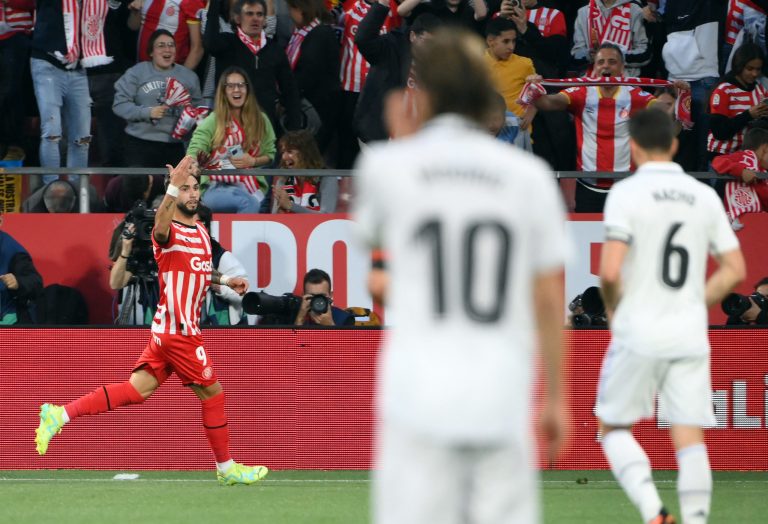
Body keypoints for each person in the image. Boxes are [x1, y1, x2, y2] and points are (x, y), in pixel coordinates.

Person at [353, 28, 568, 524]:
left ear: (421, 92)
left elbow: (377, 280)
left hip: (416, 393)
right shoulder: (527, 177)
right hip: (499, 390)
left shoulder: (388, 169)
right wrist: (557, 397)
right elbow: (549, 301)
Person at [35, 156, 269, 486]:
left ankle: (59, 414)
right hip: (179, 332)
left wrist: (225, 282)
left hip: (167, 330)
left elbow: (200, 272)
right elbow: (159, 223)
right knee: (214, 395)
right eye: (185, 189)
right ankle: (227, 467)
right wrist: (171, 187)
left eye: (194, 188)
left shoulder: (201, 232)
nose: (192, 194)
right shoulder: (168, 232)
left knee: (135, 391)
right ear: (174, 193)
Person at [596, 109, 746, 524]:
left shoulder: (625, 194)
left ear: (635, 148)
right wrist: (696, 302)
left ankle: (653, 512)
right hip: (687, 332)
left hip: (638, 328)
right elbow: (735, 269)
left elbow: (610, 271)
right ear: (675, 144)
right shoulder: (702, 194)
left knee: (613, 429)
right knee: (689, 437)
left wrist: (614, 308)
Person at [528, 43, 686, 212]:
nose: (606, 66)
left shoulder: (636, 95)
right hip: (587, 187)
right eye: (601, 62)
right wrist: (535, 88)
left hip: (627, 188)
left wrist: (681, 99)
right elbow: (546, 102)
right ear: (594, 68)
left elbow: (666, 119)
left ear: (622, 68)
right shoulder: (580, 93)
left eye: (612, 62)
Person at [204, 0, 304, 133]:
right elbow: (210, 42)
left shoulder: (275, 50)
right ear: (238, 18)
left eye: (259, 14)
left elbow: (289, 89)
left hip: (264, 127)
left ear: (264, 20)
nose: (255, 19)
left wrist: (294, 128)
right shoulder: (226, 43)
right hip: (230, 127)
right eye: (249, 14)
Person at [187, 66, 276, 213]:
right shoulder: (214, 119)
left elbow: (270, 155)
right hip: (216, 186)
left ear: (247, 90)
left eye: (241, 85)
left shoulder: (261, 119)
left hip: (249, 185)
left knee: (251, 202)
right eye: (231, 86)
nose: (237, 90)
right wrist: (193, 162)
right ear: (223, 91)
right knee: (249, 203)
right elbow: (196, 146)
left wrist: (252, 161)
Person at [113, 29, 203, 168]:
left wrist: (192, 119)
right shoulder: (137, 72)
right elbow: (120, 105)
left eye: (171, 45)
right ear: (151, 52)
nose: (167, 49)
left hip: (176, 146)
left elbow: (199, 111)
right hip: (139, 143)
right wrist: (147, 112)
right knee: (138, 186)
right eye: (161, 45)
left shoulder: (189, 77)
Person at [354, 6, 442, 143]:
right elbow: (364, 39)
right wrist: (381, 6)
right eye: (428, 42)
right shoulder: (392, 46)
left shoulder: (439, 62)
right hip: (380, 137)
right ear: (413, 36)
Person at [284, 0, 341, 154]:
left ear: (300, 9)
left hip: (317, 110)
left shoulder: (319, 34)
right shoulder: (305, 33)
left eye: (290, 9)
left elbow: (307, 73)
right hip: (315, 108)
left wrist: (286, 97)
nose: (289, 14)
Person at [707, 42, 768, 165]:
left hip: (749, 161)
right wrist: (748, 115)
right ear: (739, 66)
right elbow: (719, 132)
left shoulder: (760, 90)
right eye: (750, 69)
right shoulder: (724, 90)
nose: (754, 74)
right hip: (722, 158)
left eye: (758, 69)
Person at [484, 16, 536, 151]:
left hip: (518, 133)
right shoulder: (476, 64)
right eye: (506, 41)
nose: (511, 47)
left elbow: (536, 92)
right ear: (491, 41)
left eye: (513, 41)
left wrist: (532, 111)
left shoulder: (524, 64)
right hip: (487, 133)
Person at [196, 205, 250, 325]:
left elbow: (244, 293)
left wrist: (220, 287)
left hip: (218, 328)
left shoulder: (221, 257)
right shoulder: (180, 253)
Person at [571, 0, 650, 77]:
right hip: (590, 81)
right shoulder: (583, 13)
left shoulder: (635, 11)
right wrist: (590, 55)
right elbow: (575, 56)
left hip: (627, 81)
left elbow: (646, 55)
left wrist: (618, 57)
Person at [711, 126, 768, 229]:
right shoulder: (744, 156)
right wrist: (741, 171)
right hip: (739, 218)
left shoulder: (763, 172)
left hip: (757, 221)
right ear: (765, 148)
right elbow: (717, 161)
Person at [272, 130, 338, 214]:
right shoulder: (283, 179)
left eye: (290, 152)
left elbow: (326, 216)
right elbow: (274, 217)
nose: (284, 157)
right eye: (283, 152)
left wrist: (291, 206)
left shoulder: (326, 177)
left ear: (305, 153)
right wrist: (279, 210)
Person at [128, 0, 205, 70]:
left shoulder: (191, 2)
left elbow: (197, 48)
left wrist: (181, 79)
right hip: (140, 68)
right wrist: (135, 10)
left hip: (170, 72)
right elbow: (133, 26)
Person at [0, 208, 43, 324]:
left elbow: (36, 283)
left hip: (7, 320)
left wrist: (18, 282)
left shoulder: (14, 251)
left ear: (0, 221)